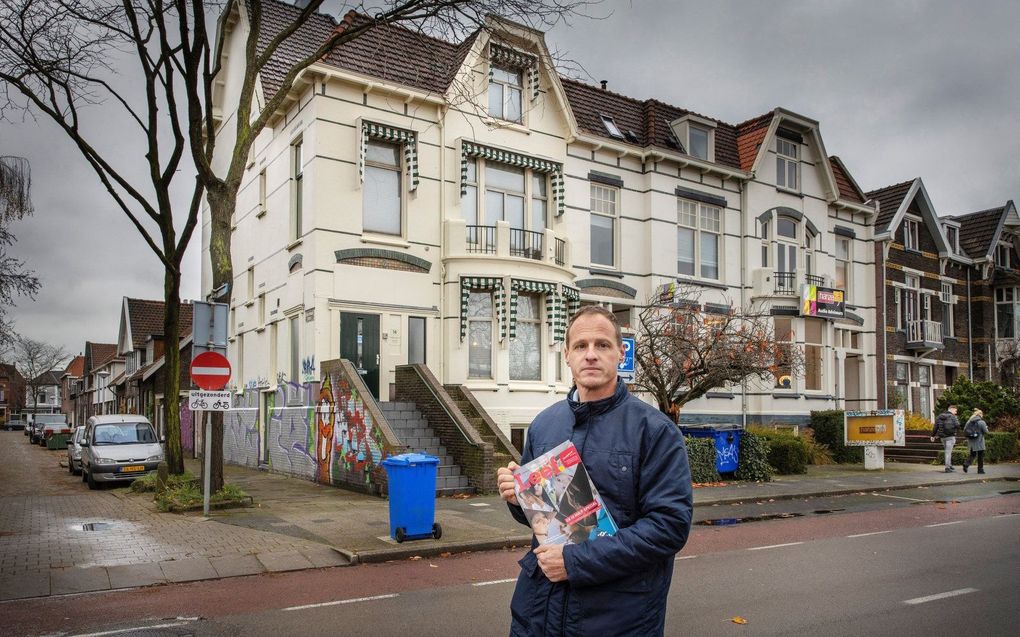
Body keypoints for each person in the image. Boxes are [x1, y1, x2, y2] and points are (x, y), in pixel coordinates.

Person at [496, 306, 693, 636]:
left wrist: (574, 562)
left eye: (602, 345)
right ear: (567, 356)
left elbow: (669, 526)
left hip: (616, 620)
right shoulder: (544, 425)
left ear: (621, 353)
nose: (590, 355)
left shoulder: (655, 431)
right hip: (538, 616)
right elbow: (544, 521)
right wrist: (518, 500)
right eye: (580, 346)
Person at [931, 405, 960, 472]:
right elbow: (958, 425)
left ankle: (949, 465)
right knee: (948, 452)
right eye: (955, 411)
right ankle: (947, 467)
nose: (956, 412)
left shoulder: (939, 416)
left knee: (947, 451)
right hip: (950, 437)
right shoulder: (953, 417)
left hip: (942, 437)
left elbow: (935, 427)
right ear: (952, 409)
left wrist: (932, 435)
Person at [962, 408, 989, 474]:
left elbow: (965, 430)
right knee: (980, 456)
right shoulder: (982, 422)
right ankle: (980, 470)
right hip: (979, 442)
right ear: (980, 414)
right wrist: (986, 427)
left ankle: (966, 464)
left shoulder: (969, 421)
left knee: (972, 455)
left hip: (971, 441)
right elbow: (986, 432)